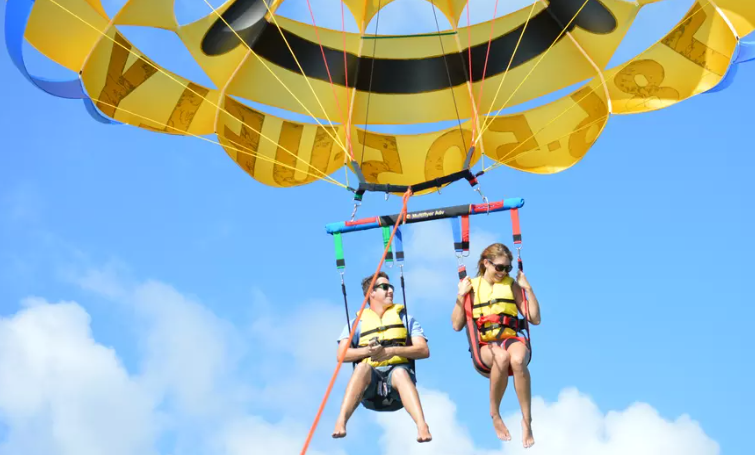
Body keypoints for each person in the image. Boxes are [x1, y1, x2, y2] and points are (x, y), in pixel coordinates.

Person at [452, 243, 541, 448]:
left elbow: (534, 318)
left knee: (517, 360)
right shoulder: (471, 286)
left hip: (510, 339)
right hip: (485, 344)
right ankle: (495, 415)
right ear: (486, 263)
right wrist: (460, 296)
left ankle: (526, 420)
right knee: (500, 358)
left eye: (507, 268)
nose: (503, 272)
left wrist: (528, 289)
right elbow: (457, 324)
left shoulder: (511, 285)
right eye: (499, 267)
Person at [332, 271, 432, 443]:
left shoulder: (405, 319)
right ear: (371, 293)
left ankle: (422, 425)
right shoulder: (356, 324)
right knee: (362, 367)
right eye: (384, 287)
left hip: (397, 382)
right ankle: (341, 420)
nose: (390, 291)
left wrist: (392, 351)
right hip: (370, 384)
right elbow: (341, 355)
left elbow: (423, 350)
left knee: (400, 373)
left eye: (391, 287)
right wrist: (369, 352)